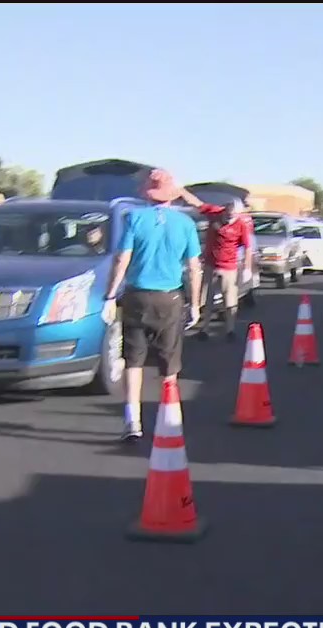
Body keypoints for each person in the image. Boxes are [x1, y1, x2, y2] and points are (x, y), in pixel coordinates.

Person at [102, 169, 203, 442]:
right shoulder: (185, 224)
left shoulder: (134, 218)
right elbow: (194, 268)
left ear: (148, 192)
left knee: (133, 360)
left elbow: (121, 260)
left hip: (137, 295)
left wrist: (110, 295)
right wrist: (195, 305)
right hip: (170, 298)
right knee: (169, 362)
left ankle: (132, 420)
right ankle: (168, 419)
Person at [178, 193, 254, 341]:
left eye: (233, 216)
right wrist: (181, 191)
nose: (229, 218)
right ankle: (204, 329)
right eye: (228, 214)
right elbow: (197, 203)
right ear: (225, 209)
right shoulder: (214, 213)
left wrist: (247, 268)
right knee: (207, 298)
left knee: (229, 298)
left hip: (229, 267)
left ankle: (230, 330)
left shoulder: (241, 225)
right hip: (210, 264)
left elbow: (248, 247)